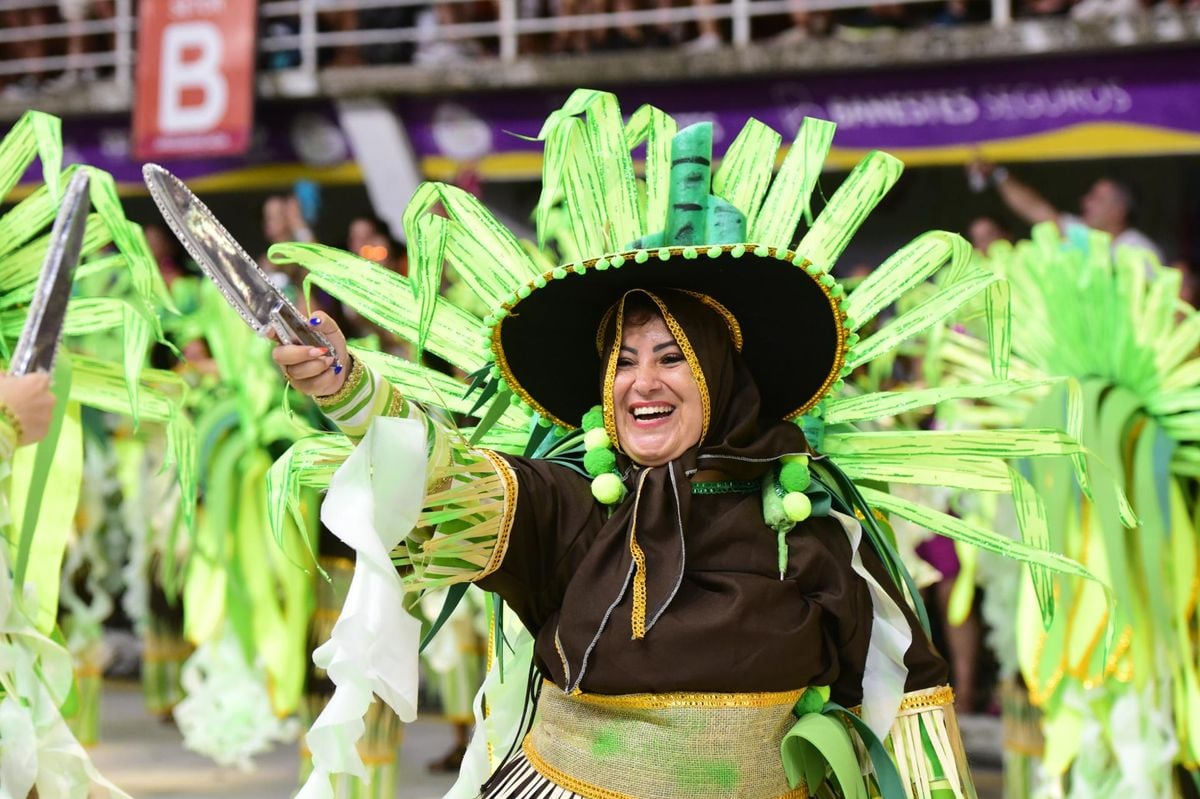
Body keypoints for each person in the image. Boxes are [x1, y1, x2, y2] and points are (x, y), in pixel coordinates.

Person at [271, 109, 985, 799]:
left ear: (722, 378)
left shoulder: (805, 524)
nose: (642, 383)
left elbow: (906, 689)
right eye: (624, 361)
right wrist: (349, 390)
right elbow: (440, 483)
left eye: (673, 358)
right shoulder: (569, 504)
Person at [968, 158, 1164, 261]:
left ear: (1118, 211)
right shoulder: (1081, 235)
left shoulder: (1140, 251)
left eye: (1097, 198)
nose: (1085, 202)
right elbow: (1035, 209)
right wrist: (998, 175)